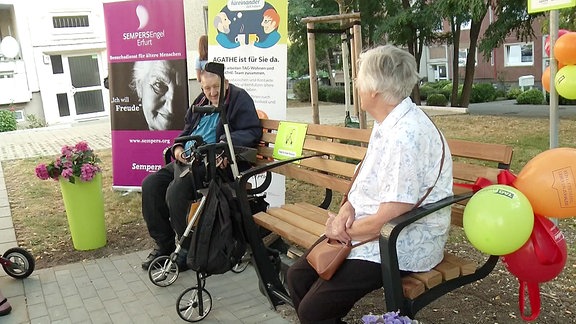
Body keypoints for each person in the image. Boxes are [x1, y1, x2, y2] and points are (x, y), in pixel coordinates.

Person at [286, 45, 453, 323]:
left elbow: (392, 214)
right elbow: (367, 180)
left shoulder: (406, 136)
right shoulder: (387, 121)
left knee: (313, 311)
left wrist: (343, 230)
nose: (355, 84)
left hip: (401, 241)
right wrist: (345, 210)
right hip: (370, 230)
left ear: (374, 89)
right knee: (297, 278)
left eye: (358, 78)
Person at [140, 69, 262, 270]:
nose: (212, 92)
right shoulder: (200, 101)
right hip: (187, 159)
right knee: (151, 185)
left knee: (176, 192)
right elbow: (187, 130)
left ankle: (187, 247)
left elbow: (251, 130)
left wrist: (223, 146)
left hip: (211, 162)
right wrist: (178, 147)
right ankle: (164, 244)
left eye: (216, 87)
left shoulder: (239, 99)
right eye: (207, 88)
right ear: (202, 87)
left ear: (226, 83)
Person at [130, 60, 187, 131]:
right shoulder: (125, 137)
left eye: (179, 90)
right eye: (159, 85)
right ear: (139, 87)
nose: (170, 109)